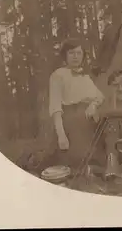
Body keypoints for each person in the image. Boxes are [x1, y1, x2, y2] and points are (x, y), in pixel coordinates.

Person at [46, 38, 105, 172]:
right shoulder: (58, 75)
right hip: (71, 121)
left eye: (79, 53)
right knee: (76, 161)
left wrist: (94, 104)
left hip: (89, 119)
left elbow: (100, 96)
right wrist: (61, 134)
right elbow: (56, 108)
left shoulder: (85, 76)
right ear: (65, 56)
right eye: (71, 53)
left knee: (101, 155)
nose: (75, 57)